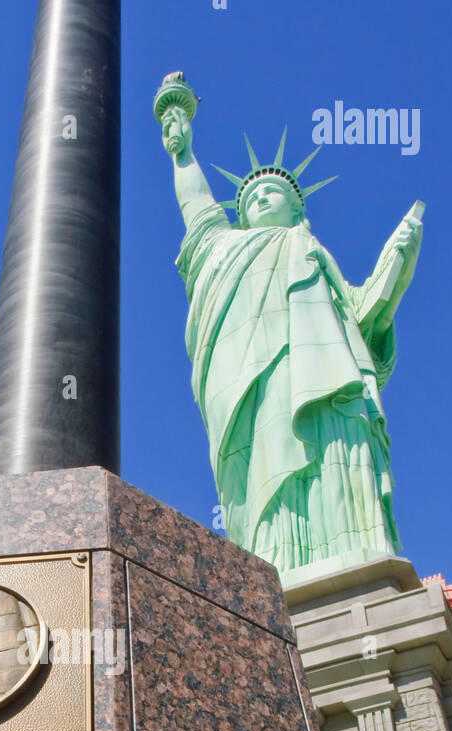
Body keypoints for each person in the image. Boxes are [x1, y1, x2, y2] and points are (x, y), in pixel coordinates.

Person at [160, 91, 423, 578]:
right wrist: (182, 152)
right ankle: (277, 570)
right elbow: (197, 206)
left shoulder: (310, 247)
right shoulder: (225, 249)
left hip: (327, 383)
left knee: (333, 453)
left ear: (298, 209)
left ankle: (358, 557)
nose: (260, 198)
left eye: (272, 193)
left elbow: (364, 323)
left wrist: (393, 276)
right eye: (250, 197)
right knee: (269, 462)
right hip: (256, 393)